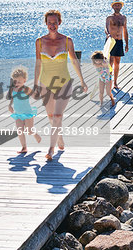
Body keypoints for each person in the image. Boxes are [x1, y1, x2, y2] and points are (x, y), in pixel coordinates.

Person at [34, 10, 88, 161]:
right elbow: (38, 64)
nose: (52, 25)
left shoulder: (67, 41)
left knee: (58, 115)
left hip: (64, 83)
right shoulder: (39, 42)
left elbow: (74, 61)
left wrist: (82, 80)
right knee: (51, 117)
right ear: (46, 24)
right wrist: (35, 84)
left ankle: (51, 149)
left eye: (55, 22)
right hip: (45, 83)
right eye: (50, 23)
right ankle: (59, 137)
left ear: (60, 23)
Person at [8, 66, 42, 153]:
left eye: (19, 81)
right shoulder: (13, 89)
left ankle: (35, 134)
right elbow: (13, 98)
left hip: (27, 113)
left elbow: (35, 97)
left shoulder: (26, 89)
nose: (17, 83)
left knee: (29, 130)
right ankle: (24, 147)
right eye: (15, 81)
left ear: (24, 81)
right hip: (18, 114)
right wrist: (10, 105)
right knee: (20, 131)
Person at [105, 0, 129, 89]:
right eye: (116, 5)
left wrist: (127, 43)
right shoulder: (109, 18)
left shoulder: (124, 18)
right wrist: (108, 34)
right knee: (110, 62)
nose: (117, 7)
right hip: (112, 41)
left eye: (119, 5)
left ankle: (115, 82)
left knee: (117, 62)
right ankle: (109, 82)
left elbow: (125, 31)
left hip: (119, 41)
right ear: (113, 7)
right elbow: (106, 27)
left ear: (121, 7)